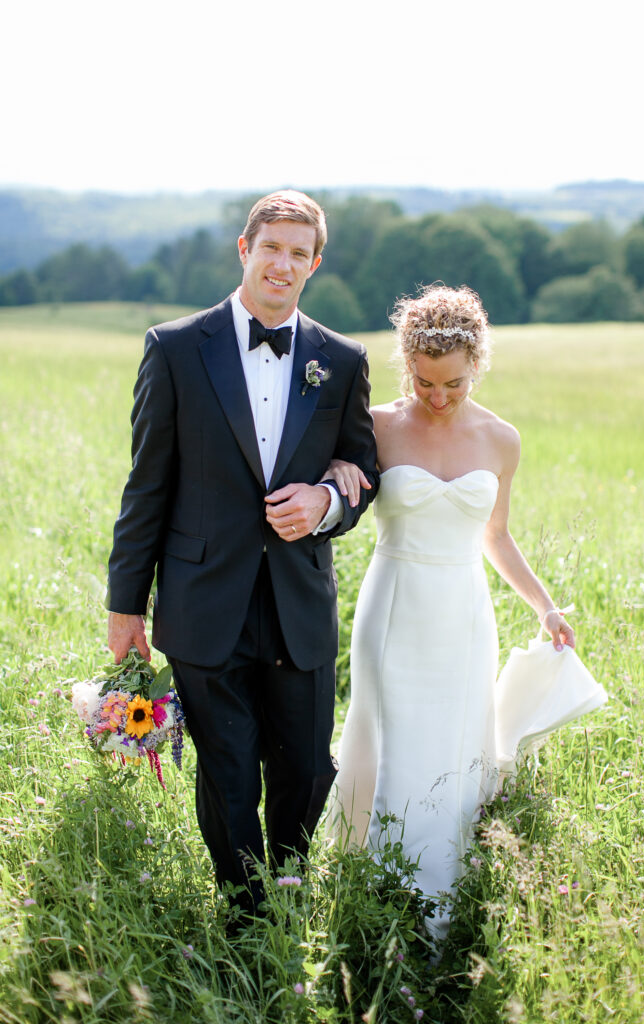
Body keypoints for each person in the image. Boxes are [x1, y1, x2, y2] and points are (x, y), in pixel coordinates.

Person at [106, 190, 379, 912]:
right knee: (226, 771)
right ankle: (244, 910)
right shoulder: (173, 347)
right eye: (271, 247)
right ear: (243, 249)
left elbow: (361, 470)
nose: (282, 264)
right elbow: (147, 484)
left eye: (299, 253)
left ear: (313, 264)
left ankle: (288, 886)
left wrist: (326, 504)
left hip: (298, 601)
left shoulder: (341, 361)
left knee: (304, 768)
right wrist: (125, 605)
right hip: (203, 600)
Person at [326, 284, 575, 942]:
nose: (437, 398)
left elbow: (495, 535)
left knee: (454, 743)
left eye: (453, 384)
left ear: (477, 366)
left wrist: (545, 607)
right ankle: (373, 894)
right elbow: (337, 495)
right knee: (389, 737)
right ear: (405, 364)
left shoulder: (501, 439)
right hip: (392, 604)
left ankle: (441, 905)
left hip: (463, 614)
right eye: (423, 381)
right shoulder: (374, 426)